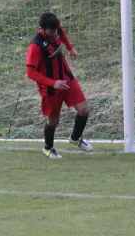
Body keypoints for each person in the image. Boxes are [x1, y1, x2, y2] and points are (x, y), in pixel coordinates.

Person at [26, 12, 94, 159]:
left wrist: (70, 48)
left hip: (66, 78)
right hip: (50, 87)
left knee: (84, 110)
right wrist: (53, 83)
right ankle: (48, 148)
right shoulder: (35, 47)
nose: (54, 34)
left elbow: (61, 33)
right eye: (51, 32)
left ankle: (75, 138)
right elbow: (30, 73)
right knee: (53, 120)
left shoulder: (55, 29)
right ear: (42, 29)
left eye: (56, 31)